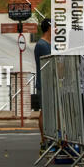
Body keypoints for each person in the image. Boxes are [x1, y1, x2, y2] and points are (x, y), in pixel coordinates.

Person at [33, 19, 52, 153]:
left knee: (51, 111)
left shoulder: (50, 44)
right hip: (44, 83)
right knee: (44, 111)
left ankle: (50, 138)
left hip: (51, 82)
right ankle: (44, 140)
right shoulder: (42, 45)